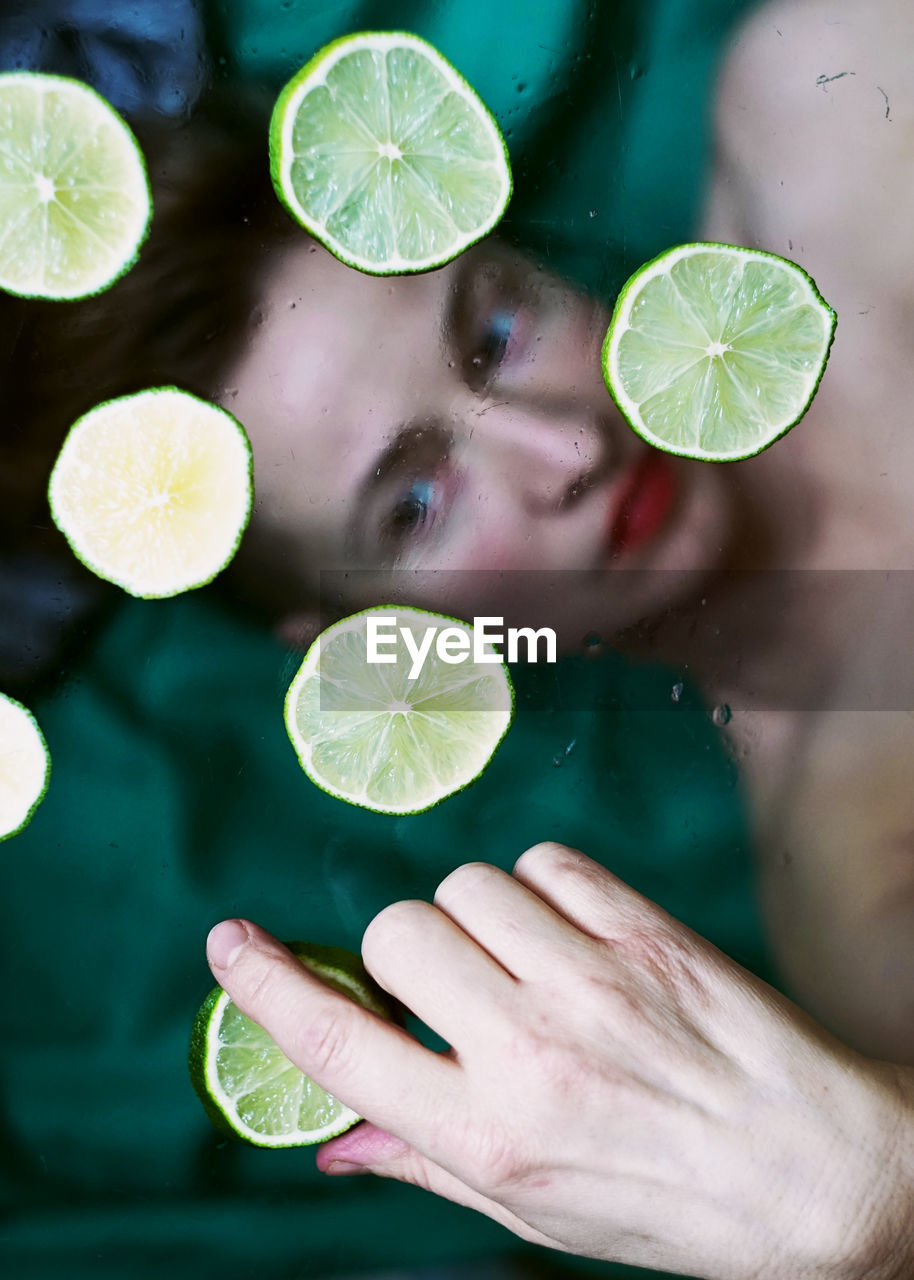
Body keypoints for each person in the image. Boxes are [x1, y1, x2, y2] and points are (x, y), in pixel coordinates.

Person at [4, 1, 913, 1278]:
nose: (566, 445)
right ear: (366, 640)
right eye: (416, 502)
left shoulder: (824, 125)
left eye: (491, 333)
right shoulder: (857, 891)